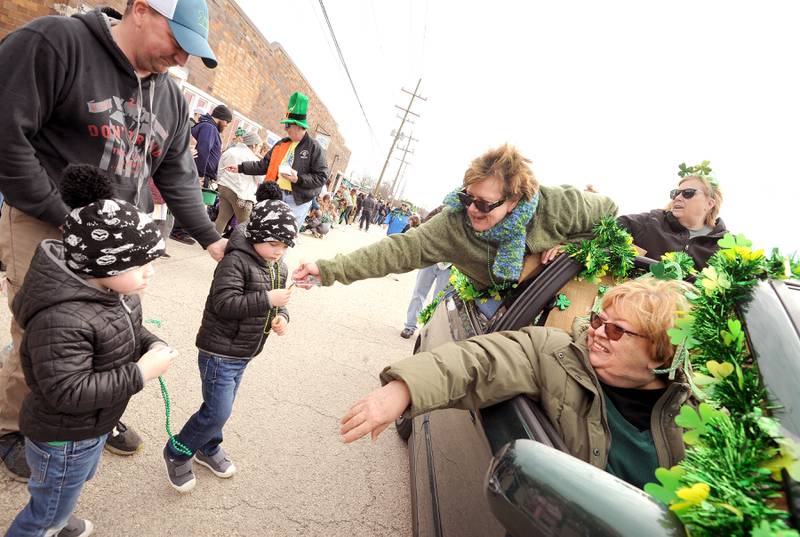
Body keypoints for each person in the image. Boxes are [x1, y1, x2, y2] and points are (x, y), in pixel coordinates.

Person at [0, 0, 226, 481]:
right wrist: (67, 220)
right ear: (141, 10)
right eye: (178, 42)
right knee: (44, 339)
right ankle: (12, 428)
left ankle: (90, 414)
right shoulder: (58, 44)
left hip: (119, 245)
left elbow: (178, 173)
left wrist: (212, 239)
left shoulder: (169, 98)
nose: (183, 59)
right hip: (47, 223)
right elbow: (6, 134)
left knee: (111, 331)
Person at [340, 277, 693, 490]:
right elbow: (479, 360)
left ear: (660, 355)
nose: (597, 332)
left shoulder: (693, 419)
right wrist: (402, 389)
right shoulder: (554, 352)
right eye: (599, 319)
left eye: (616, 330)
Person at [5, 165, 178, 535]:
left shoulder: (114, 291)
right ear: (103, 262)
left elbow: (127, 330)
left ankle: (60, 515)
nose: (150, 273)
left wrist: (150, 344)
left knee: (69, 485)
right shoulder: (62, 319)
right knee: (46, 506)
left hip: (91, 426)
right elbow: (67, 390)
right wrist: (140, 373)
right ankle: (47, 523)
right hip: (63, 437)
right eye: (141, 264)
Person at [293, 145, 617, 302]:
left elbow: (611, 214)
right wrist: (328, 270)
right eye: (467, 198)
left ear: (514, 200)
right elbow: (400, 249)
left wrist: (574, 247)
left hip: (563, 302)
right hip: (495, 306)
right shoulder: (453, 223)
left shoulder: (558, 205)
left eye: (485, 204)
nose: (472, 210)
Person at [163, 182, 296, 493]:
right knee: (218, 410)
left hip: (244, 351)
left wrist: (282, 317)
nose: (279, 252)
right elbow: (224, 304)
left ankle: (207, 447)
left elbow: (281, 301)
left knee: (221, 407)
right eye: (274, 244)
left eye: (285, 246)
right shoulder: (235, 260)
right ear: (256, 236)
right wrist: (267, 300)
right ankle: (178, 450)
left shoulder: (279, 266)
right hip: (219, 351)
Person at [229, 92, 328, 226]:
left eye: (288, 125)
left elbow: (321, 177)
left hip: (297, 201)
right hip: (277, 194)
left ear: (298, 125)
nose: (285, 128)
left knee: (285, 235)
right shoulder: (282, 144)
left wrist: (298, 179)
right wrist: (240, 167)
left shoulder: (314, 147)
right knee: (266, 229)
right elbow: (263, 165)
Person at [617, 173, 727, 269]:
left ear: (710, 203)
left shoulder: (725, 245)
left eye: (688, 193)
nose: (677, 198)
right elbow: (613, 227)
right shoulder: (652, 222)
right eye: (675, 193)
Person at [214, 131, 264, 235]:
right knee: (245, 225)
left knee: (222, 218)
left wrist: (220, 183)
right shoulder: (253, 159)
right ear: (254, 145)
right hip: (241, 194)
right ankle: (241, 248)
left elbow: (220, 170)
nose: (259, 149)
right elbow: (261, 179)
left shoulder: (230, 151)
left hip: (224, 187)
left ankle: (211, 241)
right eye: (259, 146)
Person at [193, 104, 233, 189]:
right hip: (199, 177)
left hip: (200, 175)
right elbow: (203, 150)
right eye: (227, 122)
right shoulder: (209, 128)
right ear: (221, 118)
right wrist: (199, 175)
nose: (226, 125)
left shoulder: (209, 127)